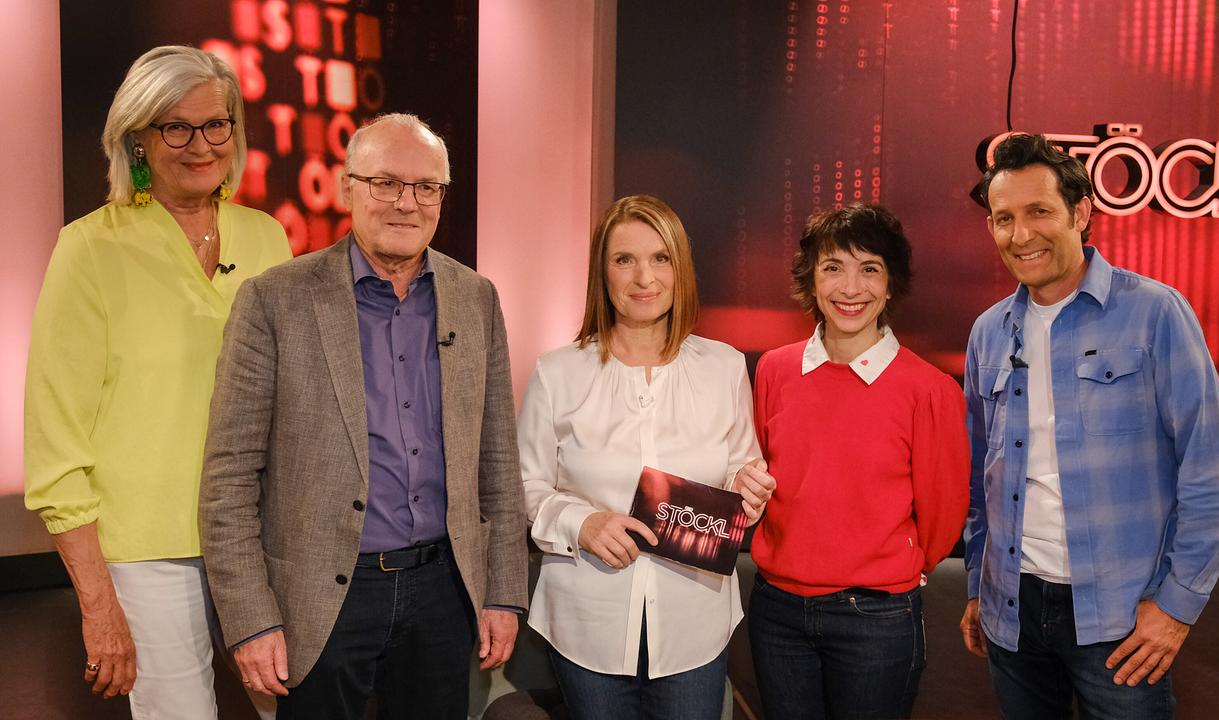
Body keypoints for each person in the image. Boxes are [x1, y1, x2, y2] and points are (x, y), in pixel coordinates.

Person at [199, 113, 528, 720]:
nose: (407, 203)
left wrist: (504, 592)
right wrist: (249, 620)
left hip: (444, 591)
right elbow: (228, 478)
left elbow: (498, 462)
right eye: (386, 183)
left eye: (426, 187)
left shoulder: (475, 297)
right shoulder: (275, 300)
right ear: (347, 187)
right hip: (323, 595)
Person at [23, 46, 292, 718]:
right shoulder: (90, 247)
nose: (200, 145)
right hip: (146, 553)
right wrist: (97, 603)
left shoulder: (268, 238)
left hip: (259, 539)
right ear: (138, 139)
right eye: (176, 127)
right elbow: (56, 442)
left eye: (216, 124)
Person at [960, 133, 1219, 719]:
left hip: (1121, 616)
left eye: (1039, 212)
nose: (1021, 234)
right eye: (1003, 217)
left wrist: (1178, 607)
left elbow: (1205, 471)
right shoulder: (987, 331)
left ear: (1080, 212)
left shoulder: (1156, 312)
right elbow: (981, 475)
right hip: (1013, 607)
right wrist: (980, 587)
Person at [518, 195, 775, 720]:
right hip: (587, 619)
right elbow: (526, 487)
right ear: (602, 272)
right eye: (624, 260)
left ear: (680, 269)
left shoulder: (723, 367)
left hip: (693, 621)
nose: (644, 277)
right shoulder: (557, 372)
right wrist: (581, 521)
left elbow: (741, 469)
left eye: (660, 258)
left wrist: (750, 488)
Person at [748, 204, 969, 719]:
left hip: (876, 614)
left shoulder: (928, 388)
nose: (851, 288)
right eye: (833, 268)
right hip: (777, 609)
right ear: (811, 279)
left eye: (869, 268)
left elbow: (944, 509)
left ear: (891, 285)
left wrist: (891, 566)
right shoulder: (775, 371)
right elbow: (758, 471)